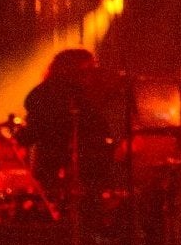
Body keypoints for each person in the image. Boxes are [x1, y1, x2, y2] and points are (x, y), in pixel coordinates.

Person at [17, 48, 117, 192]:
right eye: (86, 70)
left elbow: (101, 133)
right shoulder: (47, 96)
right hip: (55, 173)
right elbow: (33, 132)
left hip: (88, 175)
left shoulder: (88, 99)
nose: (91, 75)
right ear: (70, 70)